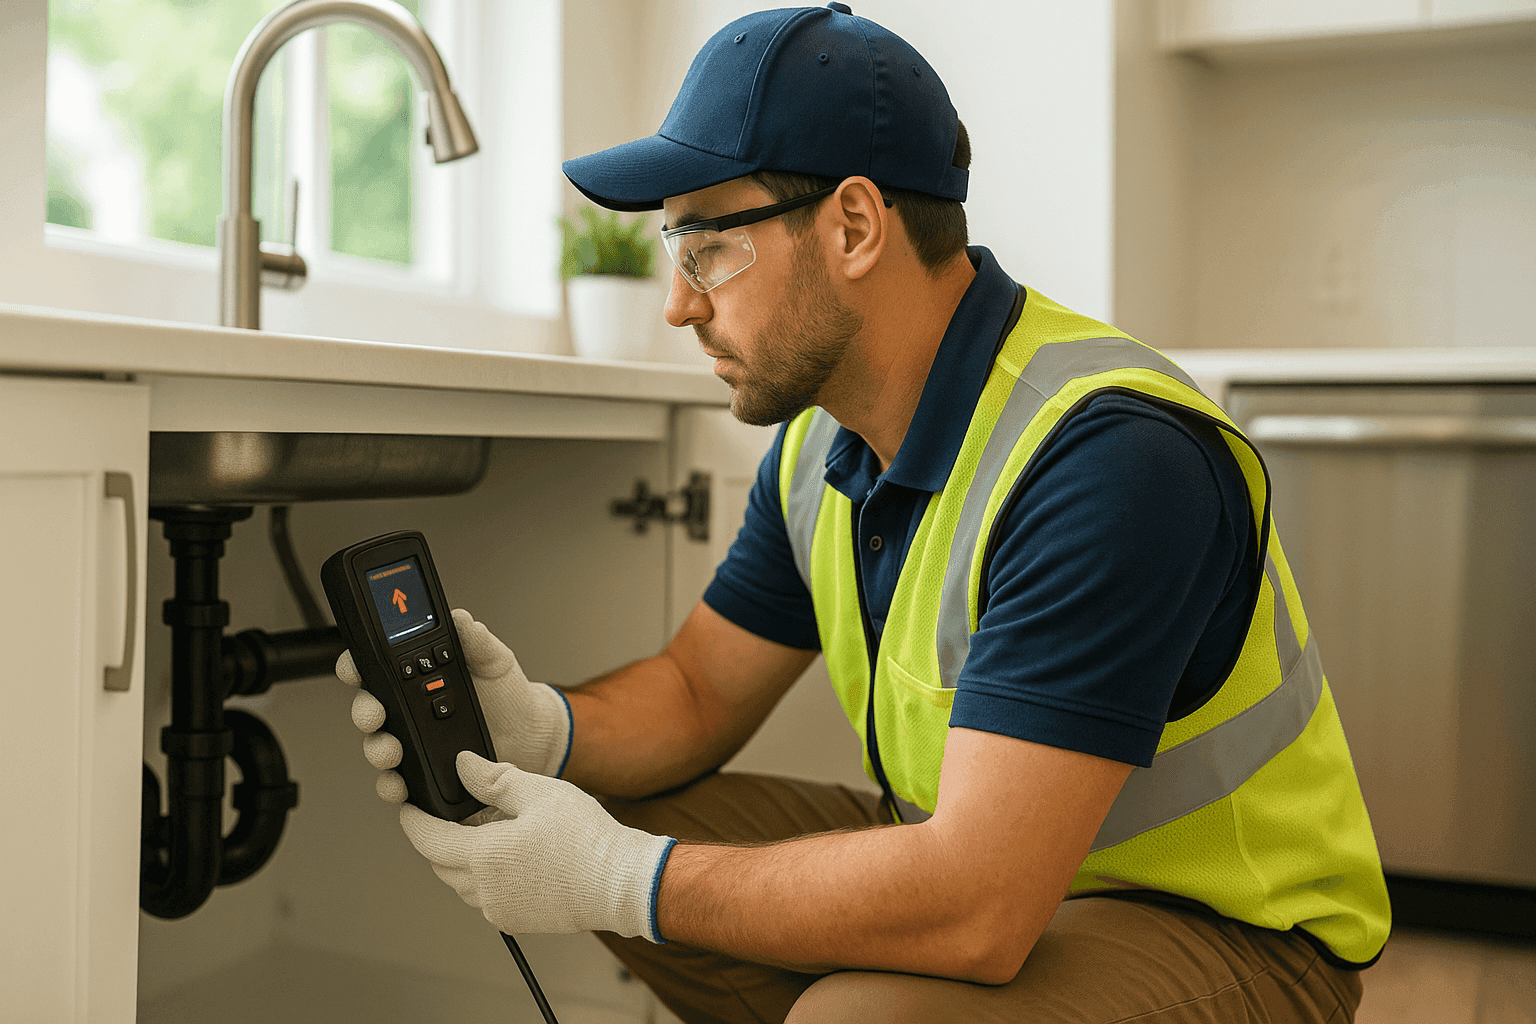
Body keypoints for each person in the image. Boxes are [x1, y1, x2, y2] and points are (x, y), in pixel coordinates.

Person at [337, 5, 1391, 1021]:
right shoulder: (816, 448)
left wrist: (620, 881)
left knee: (854, 1010)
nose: (678, 301)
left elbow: (977, 901)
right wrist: (546, 727)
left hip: (1233, 937)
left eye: (709, 244)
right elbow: (700, 689)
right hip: (988, 865)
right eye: (674, 249)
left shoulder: (1109, 459)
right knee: (614, 819)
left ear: (852, 225)